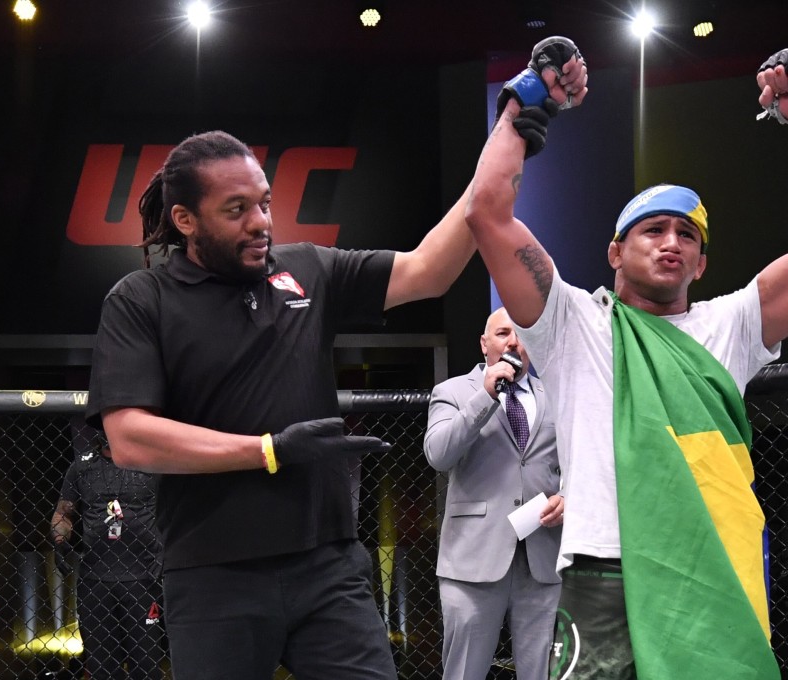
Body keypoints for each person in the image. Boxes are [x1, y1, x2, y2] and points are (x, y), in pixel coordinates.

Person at [83, 49, 586, 680]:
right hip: (214, 573)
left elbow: (430, 267)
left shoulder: (307, 269)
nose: (260, 222)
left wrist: (511, 125)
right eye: (235, 211)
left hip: (328, 563)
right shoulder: (143, 298)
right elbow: (129, 437)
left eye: (263, 203)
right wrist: (267, 449)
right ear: (185, 220)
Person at [464, 43, 788, 679]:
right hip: (603, 569)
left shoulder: (730, 324)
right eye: (653, 230)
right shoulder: (573, 323)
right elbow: (487, 213)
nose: (672, 243)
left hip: (705, 569)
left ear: (703, 263)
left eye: (688, 235)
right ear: (615, 253)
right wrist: (522, 102)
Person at [424, 307, 564, 680]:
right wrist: (485, 396)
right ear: (485, 344)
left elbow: (580, 463)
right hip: (473, 560)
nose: (514, 342)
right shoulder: (453, 391)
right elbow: (438, 454)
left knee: (544, 674)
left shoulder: (555, 395)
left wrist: (569, 498)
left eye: (522, 334)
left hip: (543, 556)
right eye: (503, 333)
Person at [50, 433, 165, 679]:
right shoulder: (82, 466)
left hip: (143, 577)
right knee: (102, 666)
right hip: (95, 578)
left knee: (146, 666)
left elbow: (173, 509)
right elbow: (64, 513)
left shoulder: (150, 462)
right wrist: (59, 542)